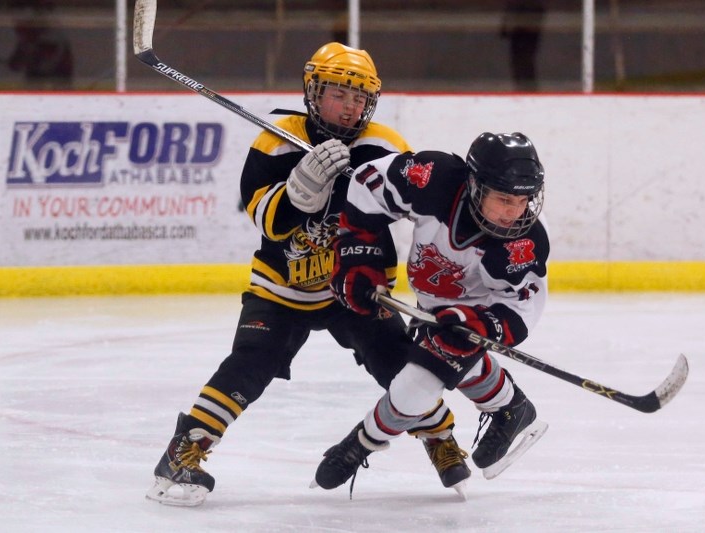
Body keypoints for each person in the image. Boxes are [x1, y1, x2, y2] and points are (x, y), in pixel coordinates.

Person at [146, 42, 466, 507]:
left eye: (360, 98)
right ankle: (184, 449)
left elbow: (421, 215)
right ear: (313, 92)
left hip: (355, 287)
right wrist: (299, 192)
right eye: (340, 94)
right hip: (283, 284)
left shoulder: (384, 147)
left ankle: (440, 439)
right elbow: (264, 220)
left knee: (397, 362)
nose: (351, 106)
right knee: (251, 361)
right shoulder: (276, 139)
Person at [314, 131, 550, 492]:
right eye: (504, 199)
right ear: (474, 184)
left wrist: (480, 327)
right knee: (454, 365)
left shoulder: (525, 242)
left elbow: (524, 305)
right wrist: (359, 251)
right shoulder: (431, 177)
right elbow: (367, 183)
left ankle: (359, 444)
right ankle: (512, 407)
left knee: (416, 385)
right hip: (433, 300)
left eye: (523, 201)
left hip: (478, 307)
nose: (515, 212)